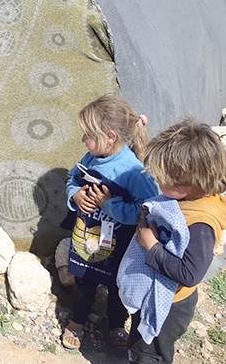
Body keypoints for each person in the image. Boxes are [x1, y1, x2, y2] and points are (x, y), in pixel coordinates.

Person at [121, 118, 226, 364]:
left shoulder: (201, 223)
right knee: (139, 343)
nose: (158, 181)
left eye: (163, 178)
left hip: (170, 305)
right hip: (156, 294)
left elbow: (190, 274)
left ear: (188, 181)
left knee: (150, 353)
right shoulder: (187, 199)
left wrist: (151, 245)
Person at [61, 94, 159, 350]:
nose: (83, 141)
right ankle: (78, 321)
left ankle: (116, 325)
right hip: (87, 240)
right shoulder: (91, 157)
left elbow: (146, 210)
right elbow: (72, 179)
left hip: (121, 248)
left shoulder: (133, 172)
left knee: (118, 288)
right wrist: (76, 195)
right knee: (84, 280)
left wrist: (109, 205)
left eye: (87, 136)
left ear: (110, 136)